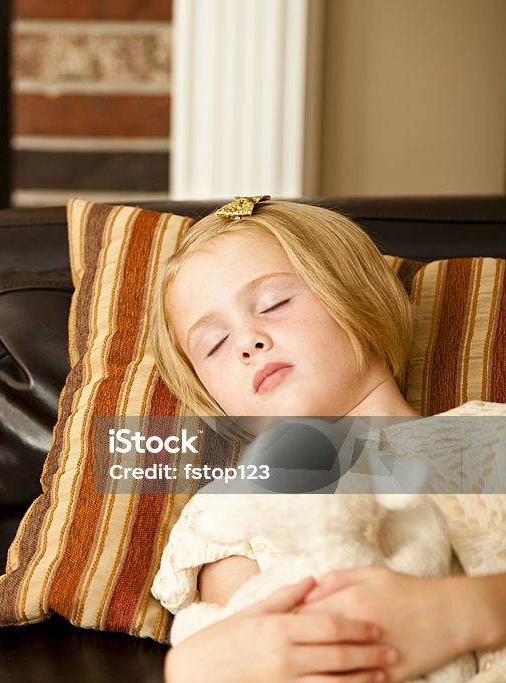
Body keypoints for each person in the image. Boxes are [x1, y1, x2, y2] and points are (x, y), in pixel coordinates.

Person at [147, 198, 506, 683]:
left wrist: (458, 612)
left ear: (357, 294)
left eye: (275, 304)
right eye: (213, 345)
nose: (247, 342)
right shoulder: (231, 507)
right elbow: (243, 648)